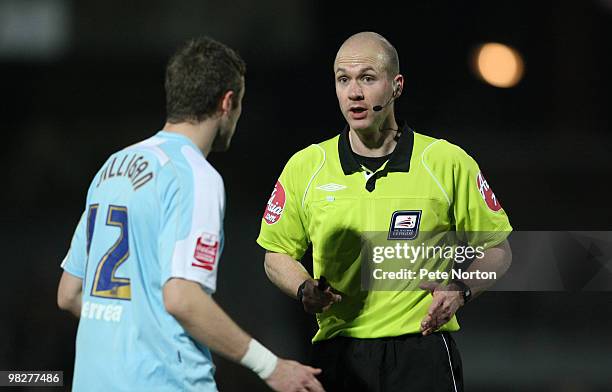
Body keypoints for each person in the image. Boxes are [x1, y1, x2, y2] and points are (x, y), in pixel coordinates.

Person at [57, 37, 324, 392]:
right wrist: (271, 366)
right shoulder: (195, 176)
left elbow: (69, 293)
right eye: (241, 103)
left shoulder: (112, 168)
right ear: (227, 102)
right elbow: (181, 297)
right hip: (165, 382)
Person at [257, 32, 513, 391]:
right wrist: (304, 289)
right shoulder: (306, 166)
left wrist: (460, 289)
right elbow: (276, 254)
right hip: (340, 355)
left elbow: (499, 251)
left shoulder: (446, 162)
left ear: (396, 86)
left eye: (367, 78)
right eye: (343, 80)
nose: (354, 92)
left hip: (422, 354)